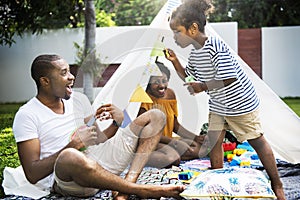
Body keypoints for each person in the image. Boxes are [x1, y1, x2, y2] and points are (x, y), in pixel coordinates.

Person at [12, 54, 185, 200]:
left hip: (99, 161)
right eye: (64, 73)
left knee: (156, 116)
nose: (72, 77)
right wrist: (73, 146)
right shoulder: (27, 115)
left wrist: (117, 123)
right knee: (70, 156)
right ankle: (139, 190)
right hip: (70, 178)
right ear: (45, 81)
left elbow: (99, 139)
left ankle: (129, 182)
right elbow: (32, 174)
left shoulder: (78, 100)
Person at [163, 0, 286, 199]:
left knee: (257, 141)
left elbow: (229, 77)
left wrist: (202, 87)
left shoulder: (215, 46)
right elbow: (189, 77)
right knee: (214, 141)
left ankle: (277, 183)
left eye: (177, 32)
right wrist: (176, 62)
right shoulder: (195, 55)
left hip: (241, 103)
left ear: (193, 28)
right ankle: (217, 180)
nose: (174, 37)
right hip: (219, 105)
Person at [138, 61, 206, 168]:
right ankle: (137, 157)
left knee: (199, 149)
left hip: (167, 141)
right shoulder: (143, 99)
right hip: (149, 142)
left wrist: (195, 137)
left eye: (164, 81)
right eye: (156, 82)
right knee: (171, 159)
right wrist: (174, 143)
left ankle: (171, 152)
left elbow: (175, 125)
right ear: (148, 83)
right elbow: (145, 134)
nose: (161, 85)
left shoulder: (170, 94)